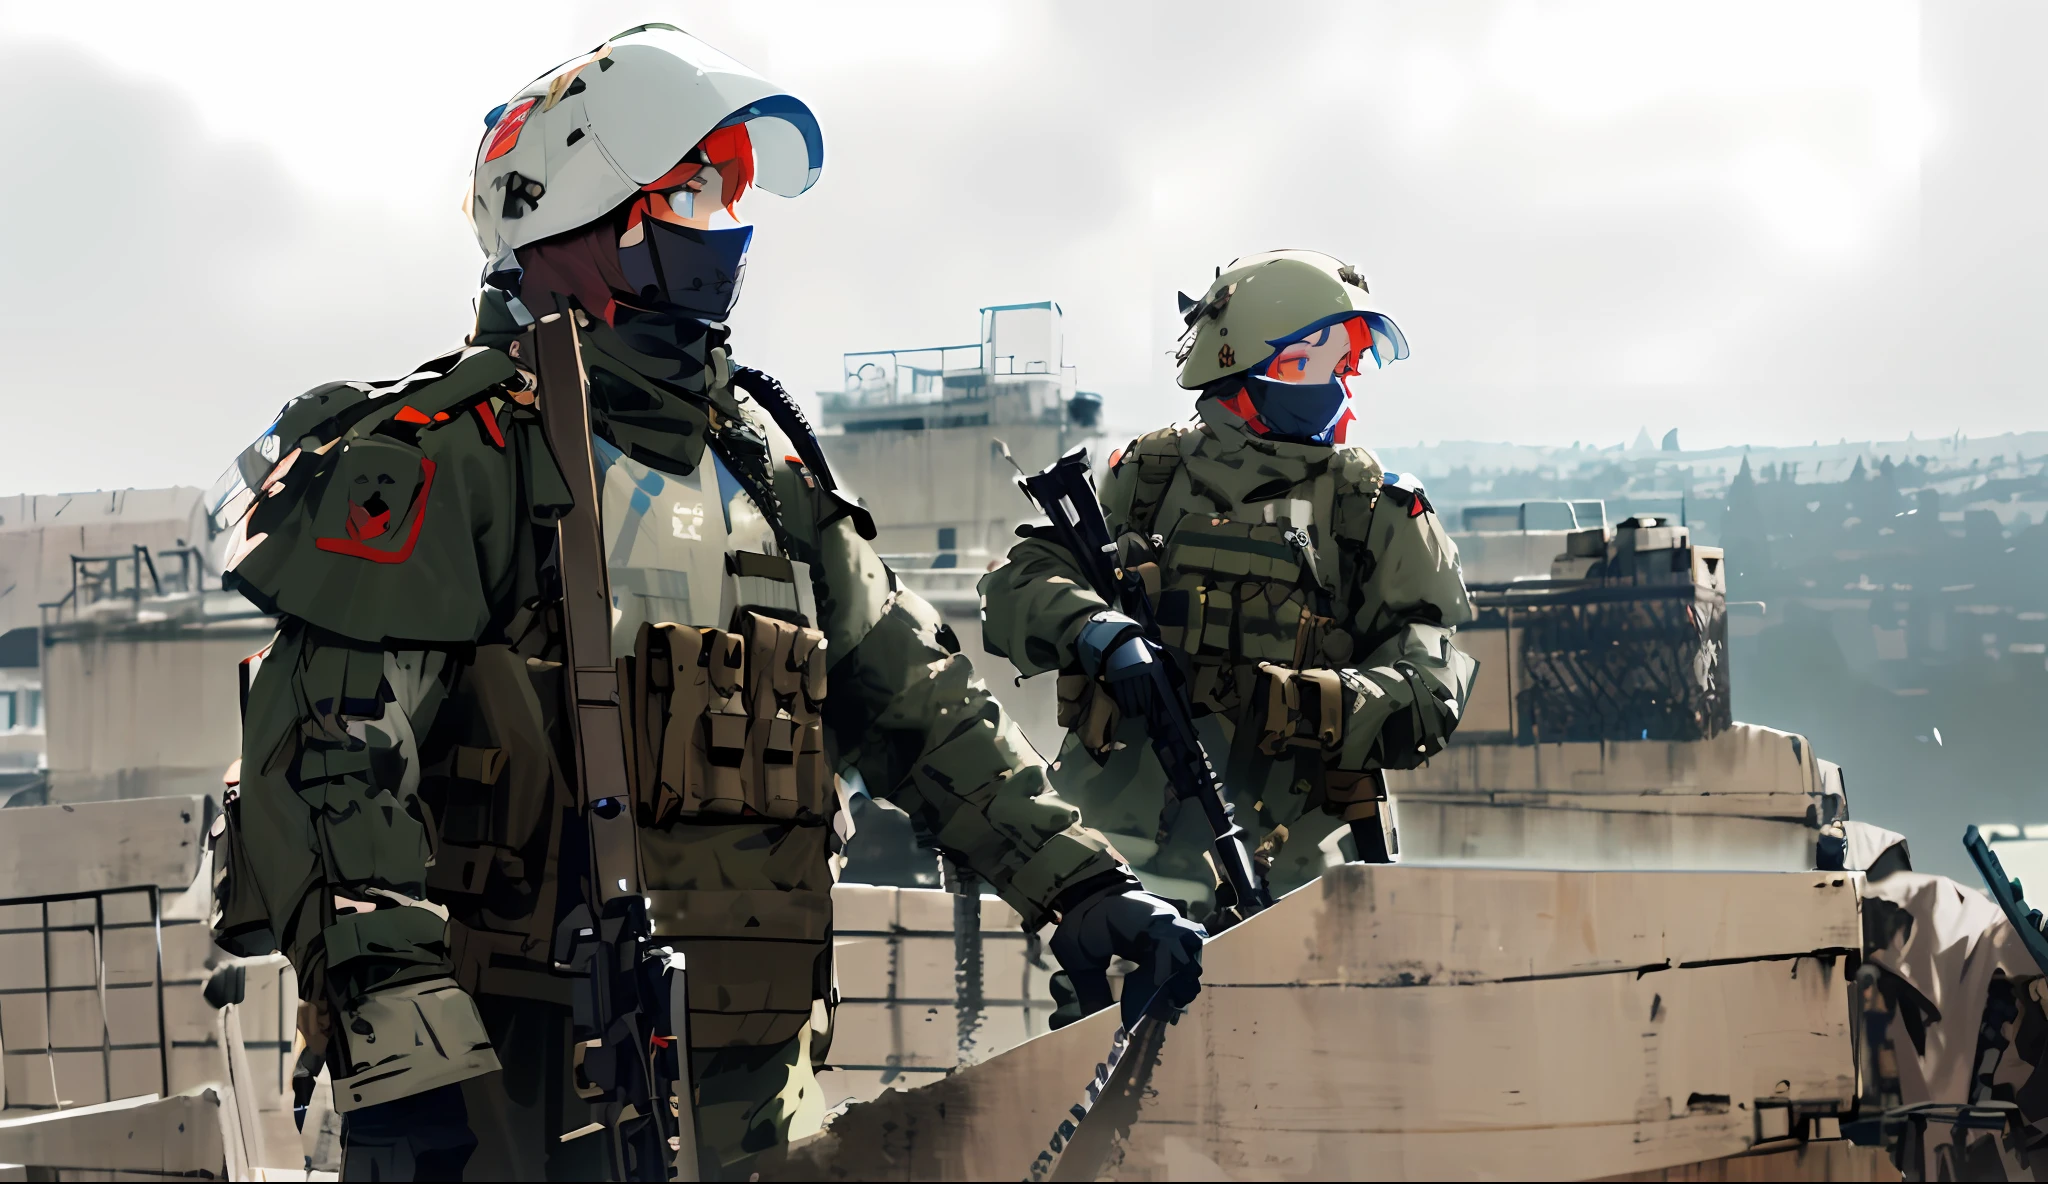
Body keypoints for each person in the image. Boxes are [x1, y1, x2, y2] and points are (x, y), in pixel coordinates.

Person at [206, 24, 1201, 1179]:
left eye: (731, 192)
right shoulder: (454, 457)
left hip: (756, 1093)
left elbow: (924, 709)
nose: (726, 224)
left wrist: (1081, 885)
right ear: (580, 211)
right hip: (507, 1100)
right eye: (693, 189)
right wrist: (398, 1049)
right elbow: (329, 758)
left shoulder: (761, 478)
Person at [979, 250, 1476, 916]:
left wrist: (1310, 704)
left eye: (1347, 366)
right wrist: (1094, 629)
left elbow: (1433, 689)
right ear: (1245, 363)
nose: (1342, 388)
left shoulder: (1374, 508)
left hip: (1298, 869)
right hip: (1123, 857)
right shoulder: (1147, 475)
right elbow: (1016, 590)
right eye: (1321, 363)